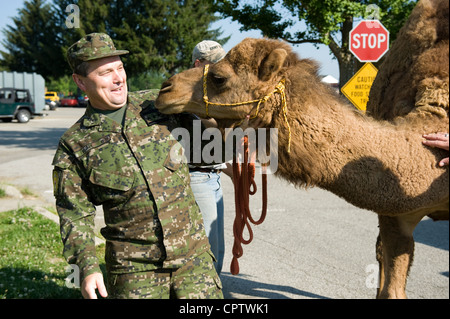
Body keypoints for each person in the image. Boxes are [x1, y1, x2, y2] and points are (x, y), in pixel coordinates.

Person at [52, 33, 222, 299]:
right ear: (80, 81)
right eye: (106, 72)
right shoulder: (74, 144)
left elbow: (211, 136)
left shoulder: (160, 104)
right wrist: (86, 267)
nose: (119, 78)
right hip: (135, 273)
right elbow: (74, 214)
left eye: (120, 67)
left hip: (194, 261)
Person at [189, 40, 227, 275]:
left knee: (219, 247)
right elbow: (214, 129)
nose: (220, 69)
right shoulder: (187, 91)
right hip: (197, 177)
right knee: (208, 248)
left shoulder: (210, 92)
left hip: (212, 176)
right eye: (215, 64)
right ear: (198, 64)